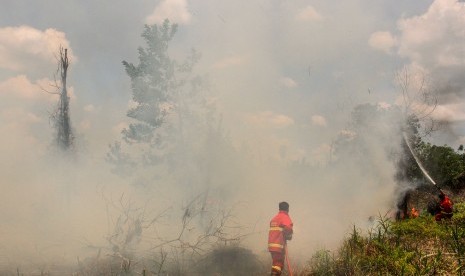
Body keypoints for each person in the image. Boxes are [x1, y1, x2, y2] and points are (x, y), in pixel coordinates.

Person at [268, 201, 293, 275]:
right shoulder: (284, 216)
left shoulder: (274, 218)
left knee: (276, 264)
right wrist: (289, 235)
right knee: (278, 264)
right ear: (287, 209)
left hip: (272, 246)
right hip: (279, 245)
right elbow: (288, 228)